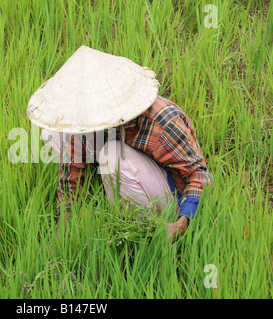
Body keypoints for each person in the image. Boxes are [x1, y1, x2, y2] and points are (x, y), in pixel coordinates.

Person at [28, 46, 213, 242]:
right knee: (52, 132)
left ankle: (145, 224)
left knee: (112, 154)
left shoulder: (163, 120)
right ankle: (113, 185)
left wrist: (182, 222)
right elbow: (69, 174)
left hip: (169, 192)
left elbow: (199, 174)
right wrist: (62, 229)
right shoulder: (83, 119)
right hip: (127, 163)